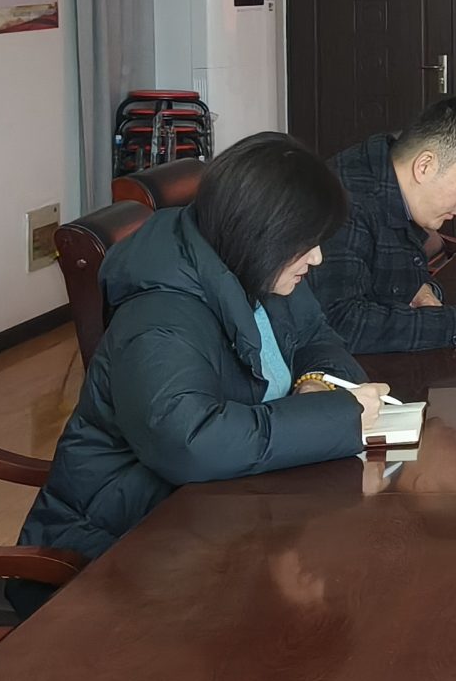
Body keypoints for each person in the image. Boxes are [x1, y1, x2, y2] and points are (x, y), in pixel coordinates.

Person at [21, 134, 390, 562]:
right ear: (263, 234)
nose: (318, 258)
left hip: (218, 525)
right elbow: (189, 442)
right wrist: (336, 417)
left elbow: (316, 336)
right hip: (116, 552)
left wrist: (315, 385)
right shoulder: (159, 317)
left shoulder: (257, 267)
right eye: (307, 243)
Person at [306, 96, 456, 353]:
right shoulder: (345, 201)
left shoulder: (394, 177)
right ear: (424, 166)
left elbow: (399, 279)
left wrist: (420, 290)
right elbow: (341, 323)